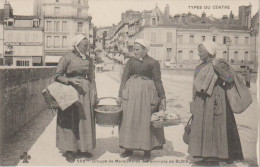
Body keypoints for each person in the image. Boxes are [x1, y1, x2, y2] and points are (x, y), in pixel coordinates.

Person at [188, 40, 246, 166]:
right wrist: (193, 102)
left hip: (217, 99)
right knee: (203, 127)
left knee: (217, 127)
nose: (199, 54)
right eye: (199, 51)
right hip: (201, 100)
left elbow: (230, 79)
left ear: (210, 52)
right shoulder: (199, 66)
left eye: (201, 51)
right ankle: (204, 153)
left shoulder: (220, 63)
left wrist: (216, 66)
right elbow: (194, 85)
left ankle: (218, 154)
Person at [117, 39, 166, 162]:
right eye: (134, 49)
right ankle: (128, 148)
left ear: (145, 50)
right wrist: (119, 94)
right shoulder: (130, 62)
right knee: (128, 119)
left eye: (138, 49)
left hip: (146, 94)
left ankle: (147, 150)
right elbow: (124, 78)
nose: (135, 52)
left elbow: (157, 81)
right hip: (130, 94)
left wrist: (162, 97)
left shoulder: (153, 63)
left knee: (145, 121)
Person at [54, 34, 98, 162]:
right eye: (85, 45)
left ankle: (83, 148)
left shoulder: (88, 59)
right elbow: (57, 76)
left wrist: (94, 93)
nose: (87, 47)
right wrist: (70, 81)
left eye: (88, 45)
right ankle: (69, 149)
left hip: (85, 93)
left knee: (84, 121)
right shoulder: (66, 58)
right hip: (70, 92)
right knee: (70, 120)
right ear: (77, 45)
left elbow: (92, 78)